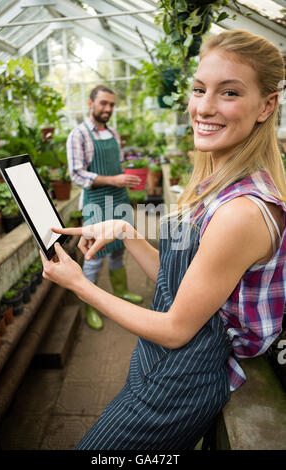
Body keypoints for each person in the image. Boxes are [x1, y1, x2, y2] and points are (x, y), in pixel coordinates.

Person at [40, 30, 286, 450]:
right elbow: (181, 288)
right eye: (198, 89)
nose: (204, 107)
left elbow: (175, 328)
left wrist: (80, 286)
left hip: (178, 381)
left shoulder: (240, 212)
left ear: (266, 105)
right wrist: (129, 232)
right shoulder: (215, 184)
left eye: (228, 92)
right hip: (158, 364)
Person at [66, 84, 143, 330]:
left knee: (120, 248)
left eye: (111, 104)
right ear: (90, 103)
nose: (108, 108)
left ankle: (121, 292)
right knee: (94, 255)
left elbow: (115, 166)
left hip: (118, 198)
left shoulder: (113, 133)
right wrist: (114, 180)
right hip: (96, 202)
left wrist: (121, 181)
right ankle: (92, 306)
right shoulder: (78, 135)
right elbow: (77, 175)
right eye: (103, 103)